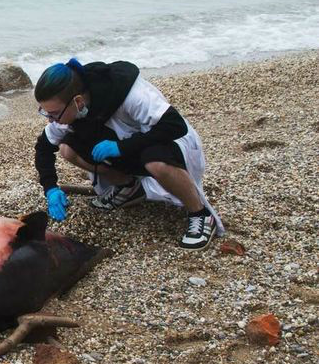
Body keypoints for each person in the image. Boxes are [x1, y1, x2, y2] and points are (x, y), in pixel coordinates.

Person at [33, 58, 223, 250]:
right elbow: (44, 148)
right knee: (68, 149)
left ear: (78, 101)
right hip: (126, 145)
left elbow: (175, 125)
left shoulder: (130, 94)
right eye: (45, 113)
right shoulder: (69, 112)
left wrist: (121, 147)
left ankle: (200, 214)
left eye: (54, 113)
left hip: (168, 143)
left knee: (154, 161)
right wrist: (50, 188)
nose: (50, 120)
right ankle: (129, 187)